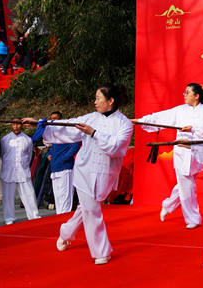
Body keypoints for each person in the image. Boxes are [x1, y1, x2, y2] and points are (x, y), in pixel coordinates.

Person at [26, 84, 132, 265]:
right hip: (84, 171)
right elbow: (67, 126)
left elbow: (115, 148)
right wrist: (42, 124)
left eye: (98, 98)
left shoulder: (125, 124)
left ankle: (66, 232)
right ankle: (101, 251)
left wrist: (94, 133)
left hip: (105, 174)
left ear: (110, 101)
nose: (95, 102)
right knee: (92, 210)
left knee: (86, 208)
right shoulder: (90, 118)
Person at [133, 83, 203, 229]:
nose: (184, 94)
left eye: (187, 92)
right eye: (184, 92)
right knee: (187, 186)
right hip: (182, 153)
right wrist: (141, 121)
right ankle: (193, 218)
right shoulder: (180, 110)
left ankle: (168, 205)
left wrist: (193, 129)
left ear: (196, 96)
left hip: (197, 152)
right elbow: (160, 117)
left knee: (184, 185)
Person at [32, 111, 81, 214]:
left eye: (57, 119)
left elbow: (75, 146)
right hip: (55, 168)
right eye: (52, 119)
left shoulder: (69, 132)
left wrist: (63, 158)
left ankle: (64, 220)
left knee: (65, 198)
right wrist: (50, 154)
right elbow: (54, 147)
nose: (54, 121)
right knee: (58, 197)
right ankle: (60, 219)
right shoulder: (55, 135)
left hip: (65, 169)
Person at [0, 119, 40, 225]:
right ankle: (9, 218)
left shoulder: (27, 139)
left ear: (22, 125)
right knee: (8, 196)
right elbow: (2, 155)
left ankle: (34, 215)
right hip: (8, 171)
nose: (16, 127)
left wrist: (24, 165)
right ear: (11, 125)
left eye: (18, 124)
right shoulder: (5, 139)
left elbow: (29, 155)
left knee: (29, 194)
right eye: (14, 124)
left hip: (23, 171)